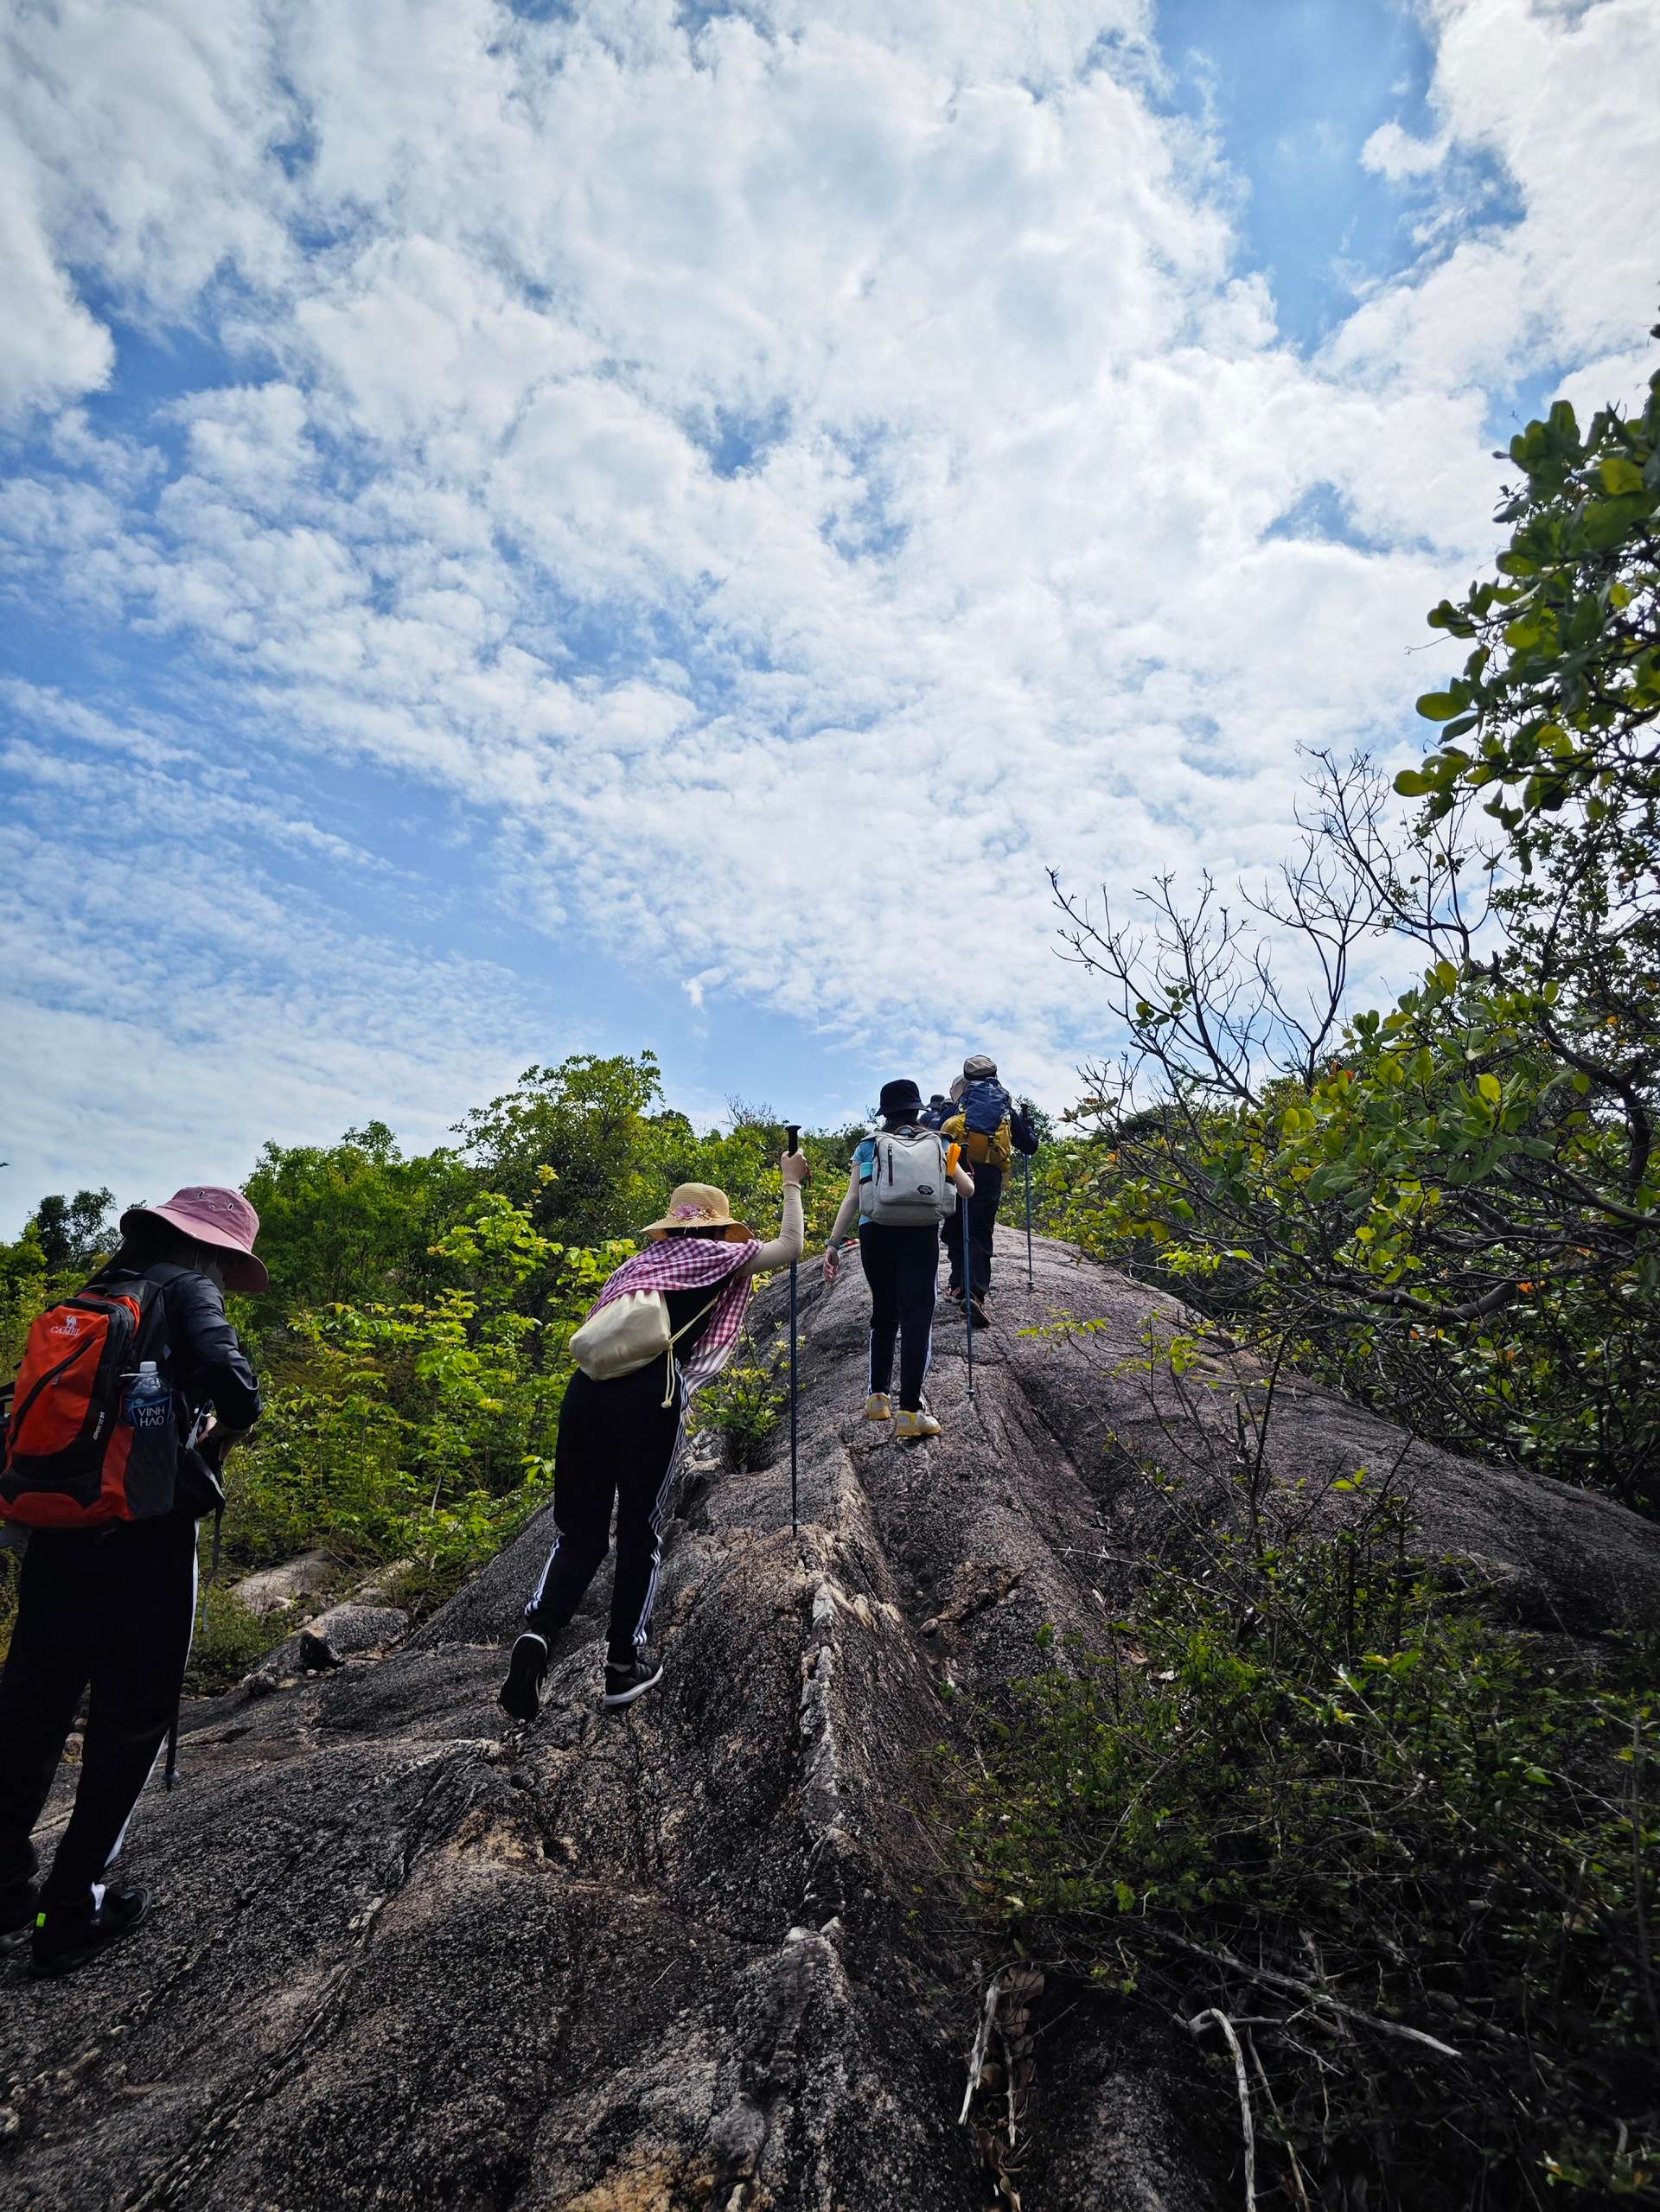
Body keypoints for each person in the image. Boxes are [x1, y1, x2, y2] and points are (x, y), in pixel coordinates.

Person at [0, 1186, 265, 1979]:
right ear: (214, 1250)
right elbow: (233, 1382)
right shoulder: (190, 1288)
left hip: (57, 1525)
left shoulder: (90, 1292)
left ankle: (6, 1887)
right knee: (131, 1714)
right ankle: (71, 1906)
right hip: (144, 1533)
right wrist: (220, 1437)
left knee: (30, 1703)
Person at [500, 1154, 807, 1724]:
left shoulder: (636, 1267)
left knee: (581, 1531)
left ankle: (539, 1634)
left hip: (584, 1391)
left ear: (669, 1224)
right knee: (640, 1529)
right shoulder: (718, 1257)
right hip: (651, 1394)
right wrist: (791, 1180)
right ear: (716, 1226)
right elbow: (790, 1246)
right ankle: (622, 1666)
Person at [823, 1081, 975, 1442]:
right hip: (919, 1233)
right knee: (918, 1317)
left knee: (884, 1311)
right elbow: (967, 1191)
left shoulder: (869, 1145)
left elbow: (853, 1199)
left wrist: (832, 1242)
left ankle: (878, 1398)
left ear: (885, 1113)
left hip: (875, 1232)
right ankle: (911, 1410)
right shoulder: (940, 1142)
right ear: (918, 1110)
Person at [941, 1055, 1038, 1326]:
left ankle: (958, 1285)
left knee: (955, 1228)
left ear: (966, 1078)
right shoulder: (1003, 1106)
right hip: (989, 1176)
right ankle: (975, 1294)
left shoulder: (959, 1106)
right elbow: (1030, 1145)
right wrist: (1028, 1126)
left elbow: (940, 1136)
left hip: (958, 1170)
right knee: (980, 1233)